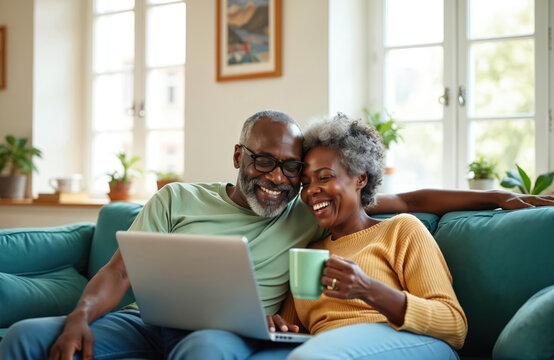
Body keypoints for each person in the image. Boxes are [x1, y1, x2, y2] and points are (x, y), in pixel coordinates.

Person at [0, 110, 552, 360]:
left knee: (211, 349)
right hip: (147, 322)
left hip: (253, 337)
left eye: (295, 170)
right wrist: (78, 316)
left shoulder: (355, 220)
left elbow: (411, 204)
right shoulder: (188, 202)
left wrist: (502, 197)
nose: (282, 180)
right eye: (268, 163)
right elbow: (119, 272)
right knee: (24, 337)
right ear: (240, 156)